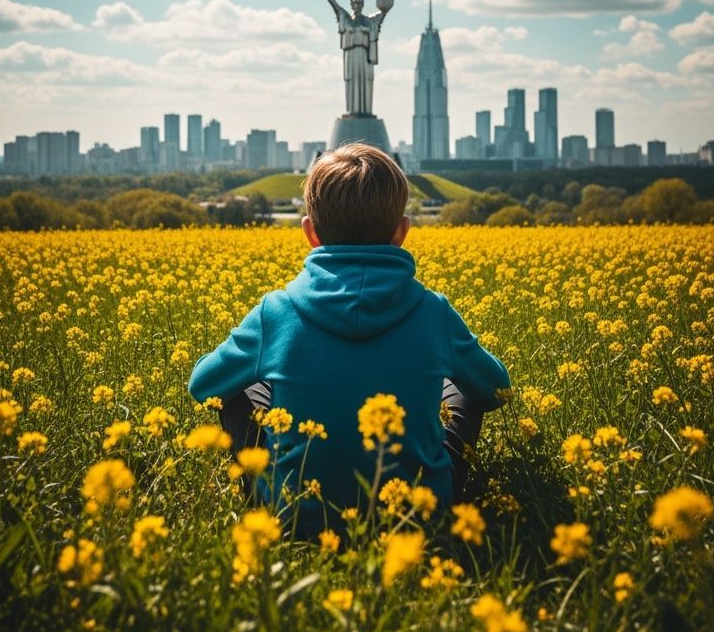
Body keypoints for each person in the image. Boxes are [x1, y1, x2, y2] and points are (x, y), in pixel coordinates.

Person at [187, 143, 511, 535]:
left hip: (290, 515)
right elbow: (496, 390)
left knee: (246, 385)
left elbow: (203, 386)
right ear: (402, 232)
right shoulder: (432, 311)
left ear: (310, 232)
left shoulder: (277, 311)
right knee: (460, 390)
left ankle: (267, 482)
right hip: (417, 515)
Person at [321, 0, 387, 115]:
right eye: (355, 2)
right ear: (351, 4)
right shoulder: (345, 17)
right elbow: (335, 5)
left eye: (360, 2)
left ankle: (365, 111)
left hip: (364, 55)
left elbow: (383, 13)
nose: (357, 5)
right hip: (350, 55)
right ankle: (352, 110)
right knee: (351, 81)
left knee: (365, 81)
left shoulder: (369, 21)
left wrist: (385, 2)